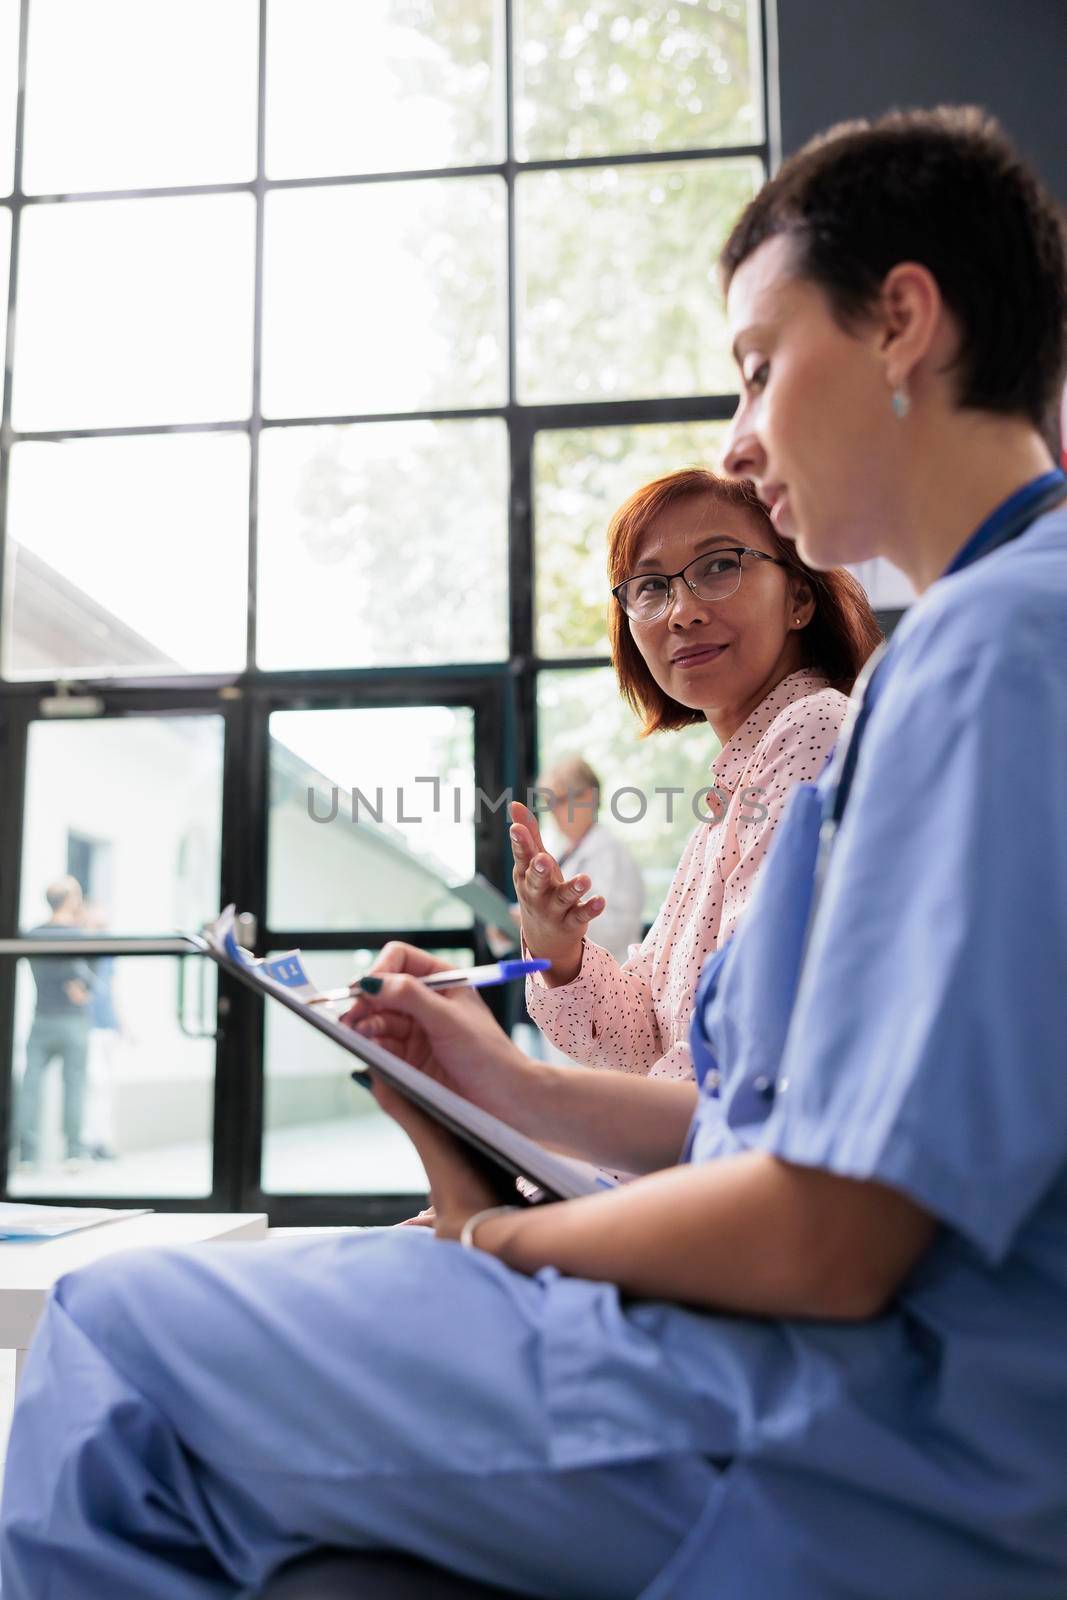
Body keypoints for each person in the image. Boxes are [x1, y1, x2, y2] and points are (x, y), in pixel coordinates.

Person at [3, 105, 1067, 1600]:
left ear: (900, 319)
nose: (739, 435)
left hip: (847, 1421)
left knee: (116, 1336)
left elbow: (830, 1228)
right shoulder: (947, 662)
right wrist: (492, 1073)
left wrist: (496, 1242)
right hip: (827, 1370)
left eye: (759, 365)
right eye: (648, 589)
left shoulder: (994, 654)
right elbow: (767, 1117)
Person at [514, 467, 879, 1080]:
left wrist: (527, 1096)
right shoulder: (736, 781)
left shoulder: (814, 728)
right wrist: (557, 951)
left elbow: (737, 1051)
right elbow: (640, 1037)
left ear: (799, 598)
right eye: (651, 587)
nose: (681, 613)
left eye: (719, 566)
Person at [533, 755, 645, 965]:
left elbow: (615, 931)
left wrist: (548, 924)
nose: (553, 812)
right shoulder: (559, 851)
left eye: (561, 800)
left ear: (589, 798)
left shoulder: (612, 854)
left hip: (608, 979)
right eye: (548, 803)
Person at [16, 877, 94, 1170]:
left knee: (30, 1087)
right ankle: (73, 1153)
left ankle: (26, 1156)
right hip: (72, 1020)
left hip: (41, 1017)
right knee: (74, 1085)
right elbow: (83, 976)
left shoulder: (32, 933)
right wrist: (80, 984)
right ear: (71, 900)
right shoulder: (78, 935)